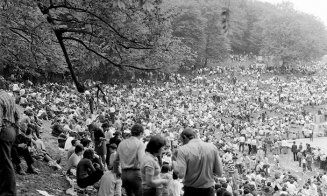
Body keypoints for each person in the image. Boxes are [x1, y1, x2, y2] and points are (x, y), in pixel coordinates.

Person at [173, 128, 223, 196]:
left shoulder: (182, 150)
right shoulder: (212, 147)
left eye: (182, 140)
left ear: (184, 137)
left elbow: (181, 175)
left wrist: (174, 161)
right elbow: (219, 172)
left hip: (191, 191)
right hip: (209, 190)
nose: (182, 143)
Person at [113, 124, 145, 196]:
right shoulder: (140, 144)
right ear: (140, 133)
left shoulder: (122, 143)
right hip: (135, 174)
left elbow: (115, 160)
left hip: (124, 174)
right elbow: (141, 160)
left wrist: (117, 172)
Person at [0, 87, 20, 196]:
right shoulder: (8, 96)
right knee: (4, 161)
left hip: (4, 130)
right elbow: (17, 115)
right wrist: (16, 131)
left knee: (5, 162)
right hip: (11, 130)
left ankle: (9, 192)